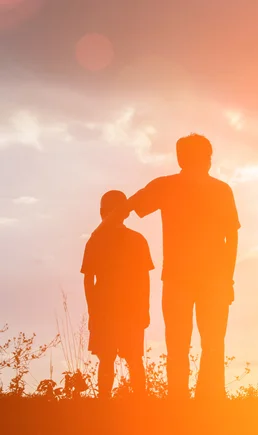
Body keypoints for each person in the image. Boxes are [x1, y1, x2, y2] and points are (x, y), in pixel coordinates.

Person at [98, 134, 240, 400]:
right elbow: (231, 239)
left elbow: (128, 206)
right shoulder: (219, 190)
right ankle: (208, 401)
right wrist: (227, 279)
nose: (208, 161)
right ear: (203, 159)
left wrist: (101, 231)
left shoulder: (167, 186)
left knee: (179, 344)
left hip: (182, 279)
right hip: (205, 279)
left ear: (180, 159)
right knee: (211, 343)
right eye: (207, 156)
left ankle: (181, 401)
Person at [81, 190, 154, 399]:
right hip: (130, 308)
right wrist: (145, 309)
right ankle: (141, 404)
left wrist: (92, 310)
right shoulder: (137, 239)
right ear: (126, 213)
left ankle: (104, 402)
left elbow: (88, 280)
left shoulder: (95, 240)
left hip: (105, 309)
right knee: (134, 359)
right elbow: (144, 280)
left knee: (107, 359)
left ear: (101, 212)